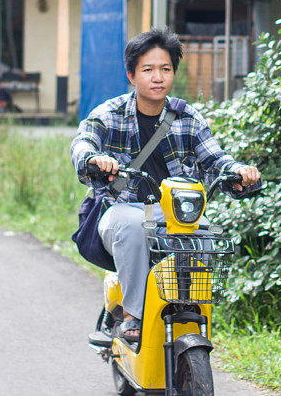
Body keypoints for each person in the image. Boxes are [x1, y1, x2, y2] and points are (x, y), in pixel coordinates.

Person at [70, 29, 261, 342]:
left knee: (206, 236)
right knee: (132, 227)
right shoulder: (109, 113)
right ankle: (132, 315)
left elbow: (216, 160)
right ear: (132, 75)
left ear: (173, 73)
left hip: (175, 215)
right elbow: (83, 142)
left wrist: (239, 172)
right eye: (148, 69)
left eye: (165, 69)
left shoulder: (188, 117)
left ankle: (190, 309)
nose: (157, 77)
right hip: (121, 211)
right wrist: (93, 159)